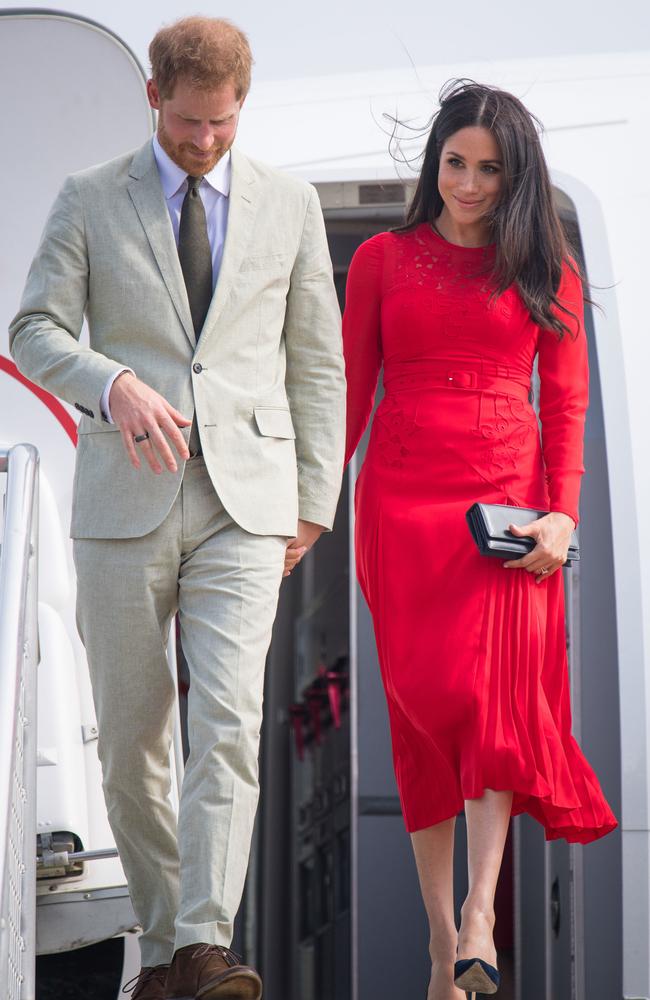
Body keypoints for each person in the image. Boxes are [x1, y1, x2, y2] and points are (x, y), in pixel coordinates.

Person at [10, 16, 344, 1000]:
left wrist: (314, 499)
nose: (206, 141)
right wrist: (108, 381)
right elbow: (32, 329)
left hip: (248, 502)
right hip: (124, 497)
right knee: (131, 736)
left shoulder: (287, 204)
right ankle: (161, 947)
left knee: (228, 722)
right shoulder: (88, 199)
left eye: (223, 123)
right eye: (190, 122)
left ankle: (202, 939)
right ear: (153, 97)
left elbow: (314, 361)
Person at [343, 79, 617, 1000]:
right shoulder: (380, 259)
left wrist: (564, 512)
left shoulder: (551, 270)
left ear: (516, 176)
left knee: (488, 702)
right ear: (435, 164)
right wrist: (305, 512)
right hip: (402, 502)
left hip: (506, 510)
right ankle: (437, 942)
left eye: (489, 169)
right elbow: (347, 396)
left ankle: (481, 912)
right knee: (424, 716)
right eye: (455, 164)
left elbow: (570, 403)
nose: (468, 184)